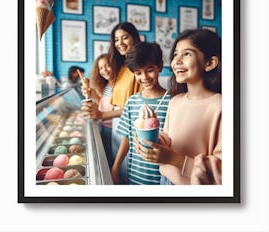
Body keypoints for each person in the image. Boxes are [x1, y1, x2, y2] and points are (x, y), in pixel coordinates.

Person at [135, 29, 222, 185]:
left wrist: (173, 159)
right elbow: (169, 138)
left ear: (210, 63)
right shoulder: (175, 101)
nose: (177, 61)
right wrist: (154, 142)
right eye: (175, 54)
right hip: (165, 180)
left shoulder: (221, 107)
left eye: (187, 54)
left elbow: (224, 171)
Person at [82, 22, 142, 184]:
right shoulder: (121, 68)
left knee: (126, 177)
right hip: (118, 128)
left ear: (135, 38)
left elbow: (134, 109)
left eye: (125, 38)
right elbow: (116, 104)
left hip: (130, 132)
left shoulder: (137, 69)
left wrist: (101, 114)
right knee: (120, 177)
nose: (120, 43)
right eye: (116, 39)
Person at [111, 42, 171, 185]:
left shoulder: (172, 101)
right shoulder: (132, 102)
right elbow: (127, 138)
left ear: (160, 66)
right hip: (135, 175)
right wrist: (115, 167)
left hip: (163, 177)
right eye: (138, 73)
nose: (144, 77)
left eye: (149, 70)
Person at [90, 53, 115, 168]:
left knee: (111, 160)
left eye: (107, 65)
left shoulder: (117, 85)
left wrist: (100, 114)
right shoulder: (106, 86)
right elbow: (103, 104)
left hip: (113, 129)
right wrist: (94, 95)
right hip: (102, 126)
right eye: (100, 68)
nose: (104, 70)